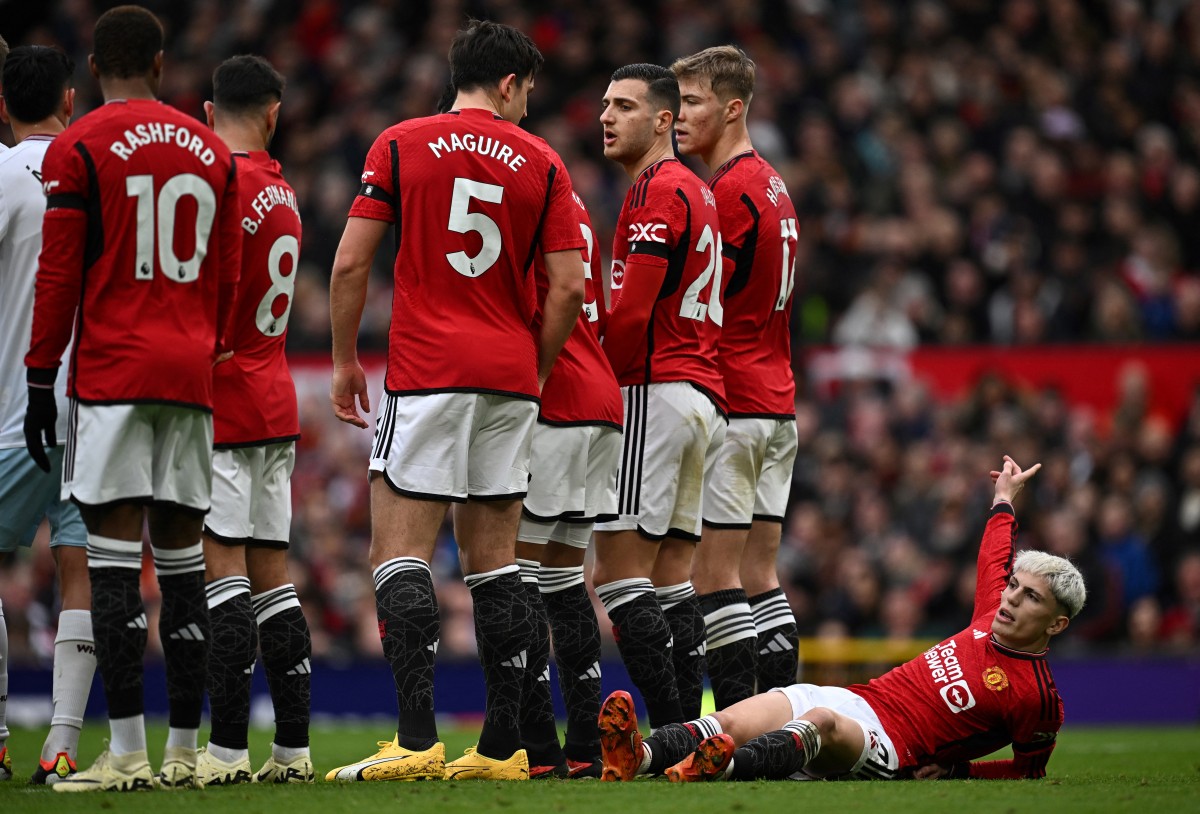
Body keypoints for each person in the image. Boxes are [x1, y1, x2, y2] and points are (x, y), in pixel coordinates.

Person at [325, 19, 585, 783]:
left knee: (397, 553)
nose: (530, 104)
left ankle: (413, 739)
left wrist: (344, 361)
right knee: (497, 566)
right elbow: (567, 286)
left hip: (427, 369)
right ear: (508, 83)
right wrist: (530, 368)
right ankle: (502, 753)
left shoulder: (400, 144)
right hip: (508, 375)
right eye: (529, 89)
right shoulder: (544, 162)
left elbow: (349, 265)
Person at [24, 5, 241, 792]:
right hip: (189, 373)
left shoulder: (79, 145)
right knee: (184, 561)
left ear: (92, 72)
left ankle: (126, 757)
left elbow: (59, 274)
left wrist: (41, 377)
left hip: (113, 374)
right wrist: (204, 343)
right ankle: (186, 751)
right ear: (159, 64)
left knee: (115, 561)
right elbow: (230, 270)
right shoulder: (212, 149)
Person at [599, 456, 1087, 782]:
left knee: (822, 723)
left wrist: (958, 772)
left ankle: (719, 770)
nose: (1011, 599)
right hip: (859, 698)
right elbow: (993, 555)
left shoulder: (1036, 696)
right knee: (733, 716)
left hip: (892, 748)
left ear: (1056, 624)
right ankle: (635, 757)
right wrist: (1004, 498)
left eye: (1031, 599)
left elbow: (1028, 771)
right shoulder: (989, 612)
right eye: (1014, 587)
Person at [593, 62, 726, 754]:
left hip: (656, 389)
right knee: (671, 576)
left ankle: (674, 732)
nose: (607, 117)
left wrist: (594, 388)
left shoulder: (658, 190)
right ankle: (693, 731)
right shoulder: (697, 192)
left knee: (615, 574)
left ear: (665, 121)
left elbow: (634, 312)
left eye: (624, 106)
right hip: (702, 395)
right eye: (605, 106)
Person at [193, 54, 313, 787]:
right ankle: (293, 751)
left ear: (210, 113)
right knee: (276, 582)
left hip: (225, 404)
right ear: (274, 114)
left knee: (223, 578)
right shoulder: (286, 194)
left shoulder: (220, 186)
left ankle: (229, 750)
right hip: (275, 401)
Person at [671, 46, 801, 708]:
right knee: (760, 574)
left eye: (691, 102)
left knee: (713, 574)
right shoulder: (773, 183)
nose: (677, 115)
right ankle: (780, 723)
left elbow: (704, 299)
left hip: (736, 400)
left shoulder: (726, 192)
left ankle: (737, 728)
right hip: (777, 405)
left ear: (732, 107)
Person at [0, 44, 97, 787]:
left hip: (12, 404)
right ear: (70, 100)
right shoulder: (98, 176)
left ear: (3, 106)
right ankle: (62, 744)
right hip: (92, 408)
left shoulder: (1, 177)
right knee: (80, 569)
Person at [514, 188, 623, 779]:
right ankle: (584, 746)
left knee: (517, 577)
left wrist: (532, 376)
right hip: (602, 403)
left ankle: (537, 751)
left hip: (555, 400)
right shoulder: (579, 208)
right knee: (564, 582)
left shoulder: (524, 195)